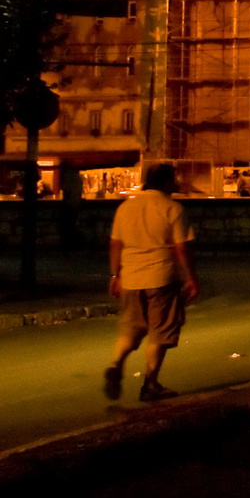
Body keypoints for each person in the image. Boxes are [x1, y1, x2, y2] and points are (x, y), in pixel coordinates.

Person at [103, 162, 201, 403]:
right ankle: (150, 384)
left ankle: (116, 364)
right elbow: (181, 247)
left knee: (132, 328)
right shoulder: (172, 208)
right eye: (174, 179)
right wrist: (190, 277)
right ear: (167, 182)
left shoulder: (126, 208)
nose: (176, 183)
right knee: (161, 332)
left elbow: (115, 244)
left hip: (131, 278)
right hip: (162, 277)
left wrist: (115, 275)